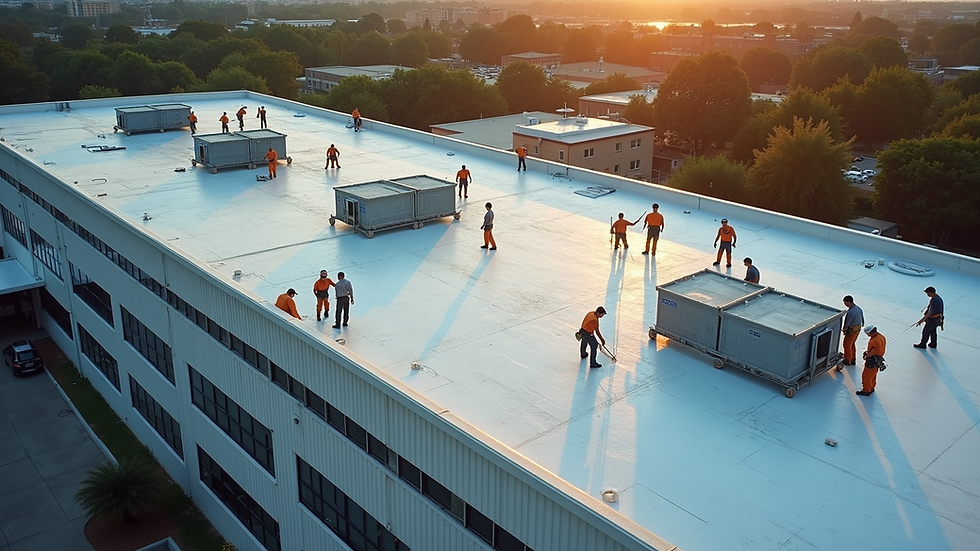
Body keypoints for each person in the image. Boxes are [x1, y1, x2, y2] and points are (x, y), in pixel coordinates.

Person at [856, 323, 886, 396]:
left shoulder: (875, 340)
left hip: (872, 360)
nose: (868, 336)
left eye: (868, 334)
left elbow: (875, 350)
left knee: (866, 376)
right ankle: (871, 387)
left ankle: (866, 390)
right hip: (878, 360)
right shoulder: (881, 337)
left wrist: (867, 355)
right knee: (873, 375)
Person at [840, 295, 865, 367]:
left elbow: (847, 321)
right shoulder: (858, 309)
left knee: (847, 344)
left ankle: (848, 360)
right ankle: (853, 358)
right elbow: (862, 320)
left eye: (845, 303)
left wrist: (844, 328)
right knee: (852, 344)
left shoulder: (851, 312)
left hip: (851, 331)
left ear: (849, 302)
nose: (845, 304)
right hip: (857, 330)